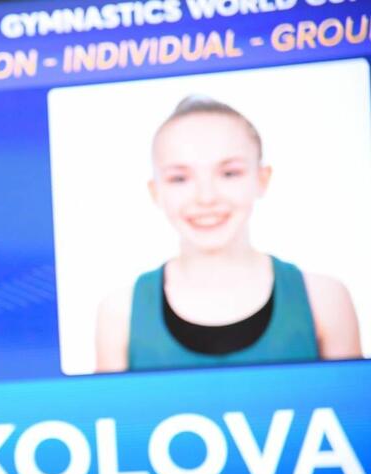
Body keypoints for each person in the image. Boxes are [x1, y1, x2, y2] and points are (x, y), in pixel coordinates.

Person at [95, 95, 361, 373]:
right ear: (155, 191)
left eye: (229, 173)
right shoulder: (119, 314)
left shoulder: (324, 299)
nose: (206, 197)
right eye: (179, 178)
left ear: (262, 179)